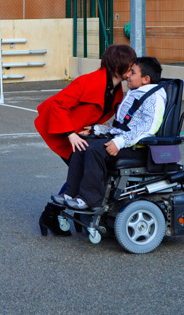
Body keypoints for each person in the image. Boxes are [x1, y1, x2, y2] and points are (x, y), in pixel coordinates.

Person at [53, 56, 167, 210]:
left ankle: (90, 200)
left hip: (138, 149)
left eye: (133, 73)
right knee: (82, 144)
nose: (128, 75)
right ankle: (70, 193)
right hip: (124, 142)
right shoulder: (137, 92)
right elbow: (121, 127)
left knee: (94, 150)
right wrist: (96, 129)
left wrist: (119, 142)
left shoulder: (154, 97)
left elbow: (148, 128)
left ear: (146, 79)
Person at [35, 44, 137, 162]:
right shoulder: (88, 81)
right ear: (118, 66)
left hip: (81, 134)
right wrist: (71, 135)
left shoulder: (116, 88)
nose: (133, 69)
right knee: (84, 175)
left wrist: (99, 126)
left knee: (87, 175)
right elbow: (57, 104)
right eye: (130, 66)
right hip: (65, 133)